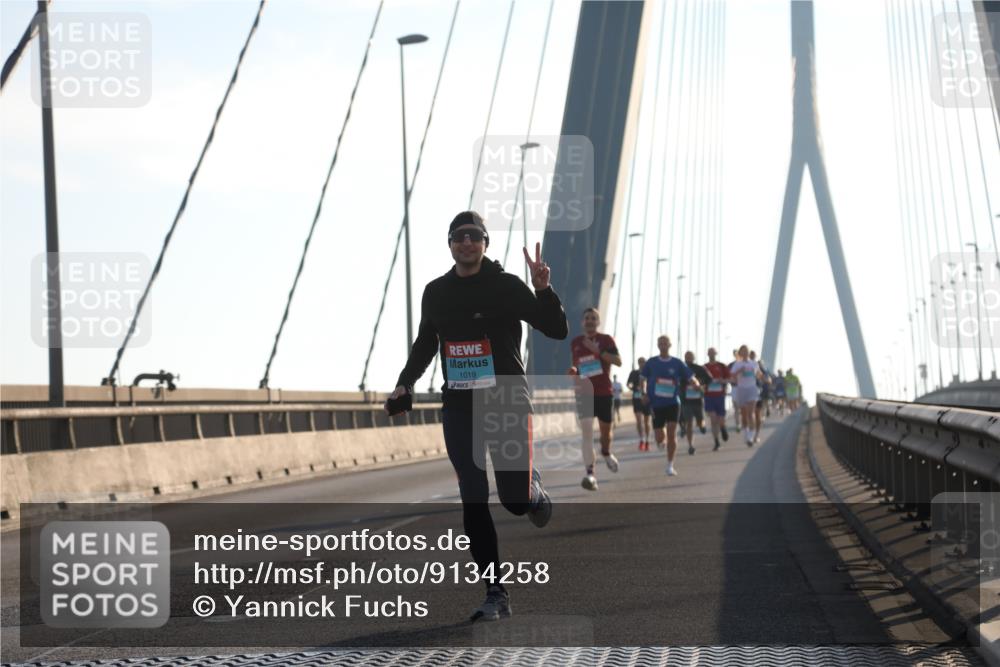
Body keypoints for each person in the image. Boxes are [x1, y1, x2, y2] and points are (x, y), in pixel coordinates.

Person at [387, 211, 568, 622]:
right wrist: (405, 382)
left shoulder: (506, 286)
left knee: (515, 501)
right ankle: (495, 592)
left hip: (506, 398)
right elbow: (425, 344)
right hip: (460, 402)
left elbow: (555, 328)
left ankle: (532, 489)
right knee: (472, 491)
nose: (466, 243)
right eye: (458, 237)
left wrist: (544, 290)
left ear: (485, 243)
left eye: (474, 236)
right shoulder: (436, 292)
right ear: (449, 243)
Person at [568, 308, 622, 491]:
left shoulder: (606, 340)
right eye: (587, 318)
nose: (590, 321)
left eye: (593, 318)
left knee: (605, 434)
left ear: (598, 321)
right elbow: (576, 365)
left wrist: (598, 351)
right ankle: (590, 474)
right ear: (582, 322)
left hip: (604, 392)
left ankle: (606, 452)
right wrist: (573, 371)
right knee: (587, 434)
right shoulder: (575, 342)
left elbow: (618, 361)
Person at [641, 335, 698, 476]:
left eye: (665, 343)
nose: (663, 345)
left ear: (670, 345)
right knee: (660, 436)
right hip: (656, 403)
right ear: (658, 345)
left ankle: (670, 465)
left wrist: (696, 384)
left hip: (673, 402)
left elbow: (691, 377)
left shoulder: (677, 363)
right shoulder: (651, 362)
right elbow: (642, 379)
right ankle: (662, 441)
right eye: (660, 343)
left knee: (672, 433)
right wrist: (643, 393)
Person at [681, 351, 712, 455]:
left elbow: (710, 379)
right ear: (684, 357)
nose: (688, 358)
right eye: (687, 356)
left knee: (700, 420)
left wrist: (701, 387)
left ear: (694, 357)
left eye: (690, 356)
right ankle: (690, 446)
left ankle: (702, 425)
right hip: (685, 400)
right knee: (689, 423)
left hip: (698, 400)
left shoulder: (700, 369)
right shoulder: (681, 369)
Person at [730, 345, 762, 446]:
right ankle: (746, 433)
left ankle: (750, 438)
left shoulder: (754, 363)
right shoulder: (737, 364)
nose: (745, 353)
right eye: (742, 351)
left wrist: (763, 377)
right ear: (740, 353)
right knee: (744, 414)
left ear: (748, 353)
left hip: (752, 389)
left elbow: (759, 375)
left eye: (746, 351)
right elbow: (732, 376)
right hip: (741, 389)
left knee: (751, 413)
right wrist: (740, 371)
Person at [703, 347, 731, 450]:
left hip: (720, 396)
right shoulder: (704, 367)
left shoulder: (722, 366)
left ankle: (723, 427)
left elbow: (730, 379)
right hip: (709, 397)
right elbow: (699, 381)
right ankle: (716, 442)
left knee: (720, 420)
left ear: (716, 354)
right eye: (710, 353)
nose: (711, 355)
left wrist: (722, 381)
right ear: (707, 354)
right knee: (713, 420)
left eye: (713, 353)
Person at [627, 358, 652, 450]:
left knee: (646, 421)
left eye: (643, 362)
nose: (641, 364)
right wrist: (633, 388)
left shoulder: (649, 372)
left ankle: (647, 440)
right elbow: (628, 384)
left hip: (646, 399)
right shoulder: (634, 373)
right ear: (638, 363)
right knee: (638, 420)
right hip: (636, 398)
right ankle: (641, 439)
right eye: (640, 362)